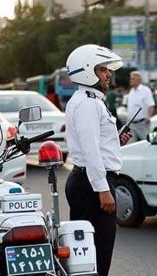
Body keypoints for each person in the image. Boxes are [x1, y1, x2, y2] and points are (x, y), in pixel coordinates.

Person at [64, 44, 132, 276]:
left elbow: (94, 144)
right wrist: (103, 189)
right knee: (96, 257)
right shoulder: (87, 103)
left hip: (88, 181)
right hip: (91, 185)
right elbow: (90, 150)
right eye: (103, 69)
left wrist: (116, 140)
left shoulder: (88, 100)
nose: (108, 74)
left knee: (89, 256)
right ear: (87, 71)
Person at [127, 71, 155, 143]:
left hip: (142, 123)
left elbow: (151, 105)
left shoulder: (145, 90)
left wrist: (149, 117)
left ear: (138, 80)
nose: (130, 80)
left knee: (147, 142)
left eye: (132, 79)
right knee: (130, 146)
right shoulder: (131, 91)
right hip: (131, 124)